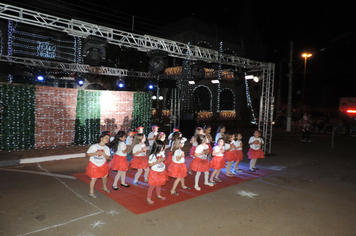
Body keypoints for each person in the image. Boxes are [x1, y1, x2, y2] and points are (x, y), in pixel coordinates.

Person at [85, 132, 112, 198]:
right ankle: (91, 192)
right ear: (101, 138)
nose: (107, 140)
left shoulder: (107, 148)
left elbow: (108, 157)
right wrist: (95, 153)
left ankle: (104, 187)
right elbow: (87, 154)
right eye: (106, 138)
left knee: (104, 177)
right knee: (94, 178)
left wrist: (104, 154)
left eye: (108, 138)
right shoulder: (94, 146)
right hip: (94, 164)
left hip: (102, 164)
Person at [146, 140, 168, 204]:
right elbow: (149, 164)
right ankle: (148, 198)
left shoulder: (161, 153)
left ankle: (158, 194)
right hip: (155, 173)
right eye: (162, 147)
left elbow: (164, 158)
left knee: (159, 184)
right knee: (152, 186)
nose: (163, 148)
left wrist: (162, 159)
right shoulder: (152, 155)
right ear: (157, 147)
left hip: (161, 171)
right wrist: (157, 161)